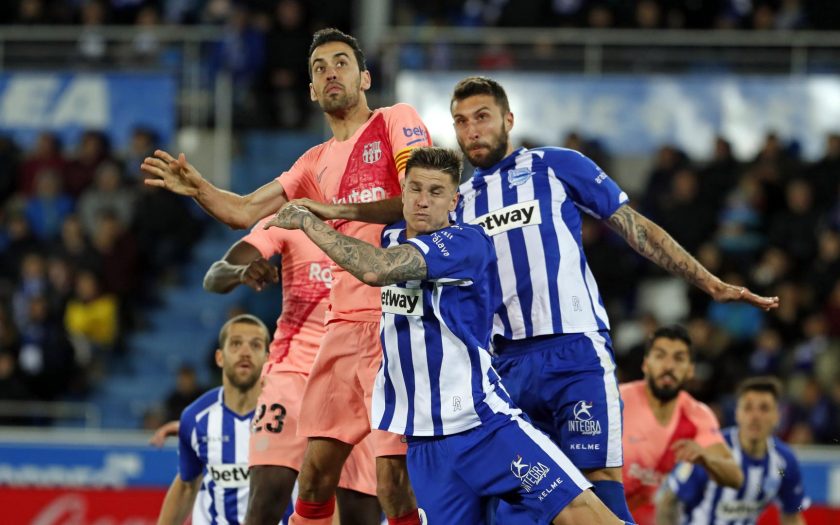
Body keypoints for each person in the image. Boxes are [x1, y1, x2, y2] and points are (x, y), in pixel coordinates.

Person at [285, 76, 778, 523]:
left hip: (573, 349)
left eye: (482, 117)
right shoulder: (457, 204)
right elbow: (401, 233)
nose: (471, 130)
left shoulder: (554, 166)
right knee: (515, 508)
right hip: (502, 365)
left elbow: (634, 228)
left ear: (508, 120)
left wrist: (708, 282)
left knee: (598, 482)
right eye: (460, 121)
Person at [141, 28, 431, 525]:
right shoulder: (311, 163)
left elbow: (418, 202)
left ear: (364, 77)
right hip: (340, 333)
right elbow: (244, 210)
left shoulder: (393, 121)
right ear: (312, 91)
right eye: (319, 68)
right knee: (311, 479)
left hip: (397, 324)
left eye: (341, 63)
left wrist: (323, 210)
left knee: (392, 485)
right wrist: (200, 189)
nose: (330, 72)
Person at [266, 146, 632, 524]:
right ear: (402, 193)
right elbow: (384, 219)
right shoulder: (391, 234)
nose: (423, 202)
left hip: (482, 425)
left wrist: (310, 222)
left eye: (436, 192)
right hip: (424, 443)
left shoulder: (464, 243)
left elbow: (376, 270)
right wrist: (337, 210)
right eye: (415, 190)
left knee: (579, 513)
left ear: (454, 200)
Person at [202, 215, 381, 524]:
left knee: (360, 513)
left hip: (357, 380)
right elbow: (214, 276)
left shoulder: (379, 223)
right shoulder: (291, 220)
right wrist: (241, 272)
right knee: (267, 499)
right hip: (292, 377)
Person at [620, 325, 744, 525]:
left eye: (678, 358)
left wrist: (706, 458)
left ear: (690, 370)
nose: (669, 366)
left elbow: (735, 477)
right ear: (646, 364)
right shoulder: (616, 402)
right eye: (660, 356)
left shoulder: (698, 416)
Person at [156, 314, 270, 525]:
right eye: (236, 344)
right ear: (219, 357)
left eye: (255, 345)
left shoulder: (292, 414)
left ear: (268, 358)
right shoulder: (196, 418)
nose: (245, 352)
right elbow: (187, 486)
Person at [657, 376, 810, 525]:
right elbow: (668, 502)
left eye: (764, 408)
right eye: (748, 407)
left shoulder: (784, 462)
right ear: (737, 413)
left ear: (777, 416)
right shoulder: (711, 449)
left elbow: (792, 517)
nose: (755, 416)